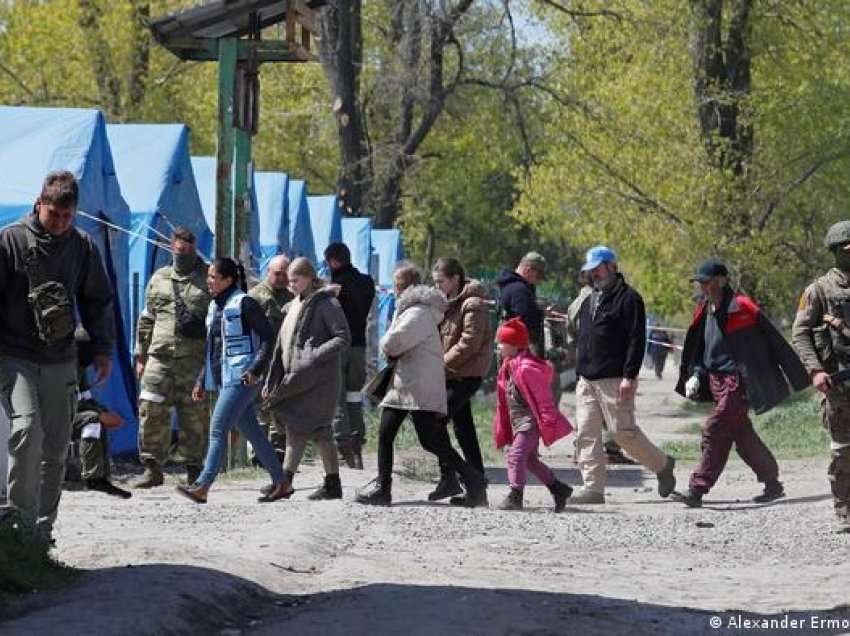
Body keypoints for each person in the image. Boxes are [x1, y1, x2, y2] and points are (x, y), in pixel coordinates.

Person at [0, 170, 114, 543]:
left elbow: (98, 300)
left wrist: (101, 349)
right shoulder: (11, 241)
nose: (62, 223)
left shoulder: (81, 245)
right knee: (26, 430)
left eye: (69, 217)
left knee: (55, 447)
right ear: (39, 204)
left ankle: (41, 535)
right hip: (15, 354)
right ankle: (21, 526)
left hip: (60, 356)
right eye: (55, 215)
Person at [674, 259, 808, 508]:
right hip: (715, 380)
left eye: (707, 281)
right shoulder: (704, 308)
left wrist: (797, 373)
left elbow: (772, 339)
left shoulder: (742, 306)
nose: (703, 287)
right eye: (700, 282)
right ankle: (772, 484)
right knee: (741, 435)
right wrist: (696, 373)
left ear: (722, 281)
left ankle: (696, 489)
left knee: (716, 428)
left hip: (738, 381)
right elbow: (702, 347)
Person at [355, 263, 488, 507]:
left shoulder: (416, 312)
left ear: (406, 287)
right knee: (430, 439)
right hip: (414, 382)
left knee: (389, 435)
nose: (394, 290)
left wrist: (386, 345)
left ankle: (383, 489)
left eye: (397, 285)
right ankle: (472, 480)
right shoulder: (417, 310)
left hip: (413, 383)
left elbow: (392, 342)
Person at [570, 245, 676, 504]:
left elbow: (635, 341)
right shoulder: (589, 299)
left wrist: (630, 376)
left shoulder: (630, 299)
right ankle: (593, 488)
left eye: (597, 268)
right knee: (585, 433)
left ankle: (662, 466)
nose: (594, 274)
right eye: (590, 270)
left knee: (622, 433)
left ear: (611, 266)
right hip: (586, 379)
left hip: (614, 379)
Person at [176, 258, 287, 504]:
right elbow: (213, 348)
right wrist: (201, 380)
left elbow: (269, 338)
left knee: (217, 429)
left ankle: (202, 486)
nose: (209, 280)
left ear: (228, 280)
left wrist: (256, 369)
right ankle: (281, 482)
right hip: (226, 377)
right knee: (253, 433)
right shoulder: (215, 307)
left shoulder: (245, 303)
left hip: (243, 377)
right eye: (209, 276)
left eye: (213, 276)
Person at [263, 257, 351, 500]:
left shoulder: (327, 304)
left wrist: (314, 355)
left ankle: (285, 482)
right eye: (289, 281)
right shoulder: (293, 305)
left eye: (296, 280)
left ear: (310, 278)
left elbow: (342, 338)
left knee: (300, 429)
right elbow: (283, 345)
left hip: (320, 379)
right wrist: (274, 378)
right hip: (298, 378)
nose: (291, 285)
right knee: (316, 431)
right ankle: (331, 484)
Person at [134, 227, 211, 488]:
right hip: (160, 357)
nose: (182, 256)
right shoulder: (159, 278)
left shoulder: (207, 277)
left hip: (194, 360)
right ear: (171, 249)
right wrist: (141, 355)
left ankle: (194, 469)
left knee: (194, 414)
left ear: (194, 248)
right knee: (150, 408)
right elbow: (147, 318)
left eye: (187, 251)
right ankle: (152, 467)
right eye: (178, 251)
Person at [792, 221, 850, 532]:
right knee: (844, 450)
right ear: (836, 252)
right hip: (838, 383)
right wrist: (815, 371)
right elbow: (800, 333)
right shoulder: (819, 291)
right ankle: (844, 509)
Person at [492, 318, 574, 512]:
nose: (498, 347)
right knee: (529, 459)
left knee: (516, 455)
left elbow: (544, 399)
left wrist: (547, 421)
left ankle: (515, 495)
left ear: (514, 345)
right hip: (519, 421)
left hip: (531, 421)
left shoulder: (527, 368)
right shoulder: (508, 366)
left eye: (502, 343)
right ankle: (558, 489)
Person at [428, 257, 492, 503]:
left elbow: (469, 342)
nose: (437, 287)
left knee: (435, 422)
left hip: (466, 374)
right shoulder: (448, 303)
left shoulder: (472, 303)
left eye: (440, 281)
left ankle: (459, 479)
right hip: (453, 373)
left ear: (455, 279)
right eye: (434, 282)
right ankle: (471, 486)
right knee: (464, 430)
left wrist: (440, 365)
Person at [566, 271, 636, 466]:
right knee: (611, 411)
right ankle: (610, 450)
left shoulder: (575, 303)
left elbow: (570, 333)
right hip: (605, 363)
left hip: (585, 361)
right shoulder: (597, 299)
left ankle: (582, 452)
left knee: (586, 411)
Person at [325, 242, 376, 469]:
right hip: (359, 346)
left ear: (333, 261)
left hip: (338, 347)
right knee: (354, 396)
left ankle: (344, 448)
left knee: (336, 398)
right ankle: (357, 442)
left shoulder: (335, 286)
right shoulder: (367, 282)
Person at [70, 327, 131, 499]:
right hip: (55, 416)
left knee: (98, 419)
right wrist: (100, 415)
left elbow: (85, 396)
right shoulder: (64, 367)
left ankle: (101, 476)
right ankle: (92, 477)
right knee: (93, 420)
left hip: (71, 414)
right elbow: (64, 402)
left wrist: (105, 412)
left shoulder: (79, 368)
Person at [248, 254, 293, 464]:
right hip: (261, 359)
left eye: (286, 274)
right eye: (278, 274)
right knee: (259, 409)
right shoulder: (256, 296)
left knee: (280, 407)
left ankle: (278, 450)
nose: (282, 278)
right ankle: (257, 453)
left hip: (283, 361)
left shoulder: (291, 298)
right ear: (268, 272)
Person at [496, 252, 546, 356]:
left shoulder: (508, 286)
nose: (538, 281)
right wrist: (539, 313)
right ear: (528, 270)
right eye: (538, 276)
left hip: (508, 347)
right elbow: (526, 322)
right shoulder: (519, 291)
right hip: (518, 353)